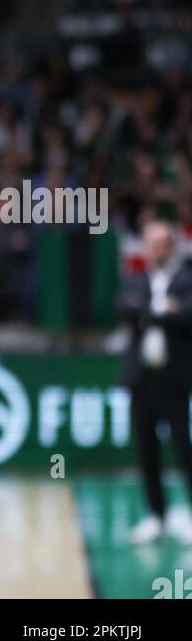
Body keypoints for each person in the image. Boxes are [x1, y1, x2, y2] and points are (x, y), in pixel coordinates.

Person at [117, 218, 192, 544]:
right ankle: (155, 515)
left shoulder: (187, 279)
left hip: (174, 380)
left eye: (164, 242)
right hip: (142, 379)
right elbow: (123, 310)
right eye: (153, 242)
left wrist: (150, 313)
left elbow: (187, 315)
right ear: (145, 247)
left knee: (183, 448)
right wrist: (163, 310)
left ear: (172, 246)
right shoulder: (134, 281)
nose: (158, 248)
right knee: (146, 450)